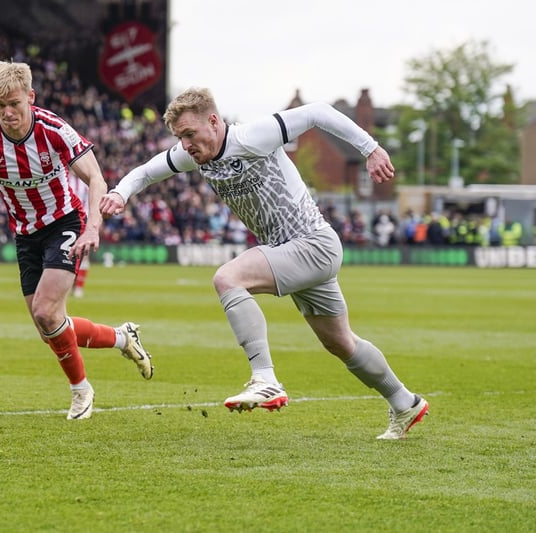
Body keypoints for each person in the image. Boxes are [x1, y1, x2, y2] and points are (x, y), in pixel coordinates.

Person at [100, 88, 428, 440]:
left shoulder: (252, 136)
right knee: (340, 343)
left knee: (228, 279)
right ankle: (404, 401)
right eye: (180, 137)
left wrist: (370, 149)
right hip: (294, 251)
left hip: (312, 244)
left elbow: (317, 111)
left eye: (190, 134)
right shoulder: (193, 155)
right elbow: (147, 172)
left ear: (214, 121)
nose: (185, 144)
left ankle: (265, 379)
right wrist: (121, 191)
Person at [0, 60, 153, 420]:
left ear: (30, 97)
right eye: (0, 106)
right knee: (50, 325)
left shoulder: (54, 129)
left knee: (45, 311)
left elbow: (96, 178)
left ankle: (80, 391)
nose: (8, 113)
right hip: (25, 235)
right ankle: (121, 337)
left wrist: (92, 227)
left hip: (65, 222)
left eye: (15, 104)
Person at [67, 172, 90, 298]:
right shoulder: (63, 178)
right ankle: (68, 286)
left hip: (83, 221)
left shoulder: (85, 183)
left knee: (84, 255)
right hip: (65, 222)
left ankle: (78, 287)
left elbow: (90, 203)